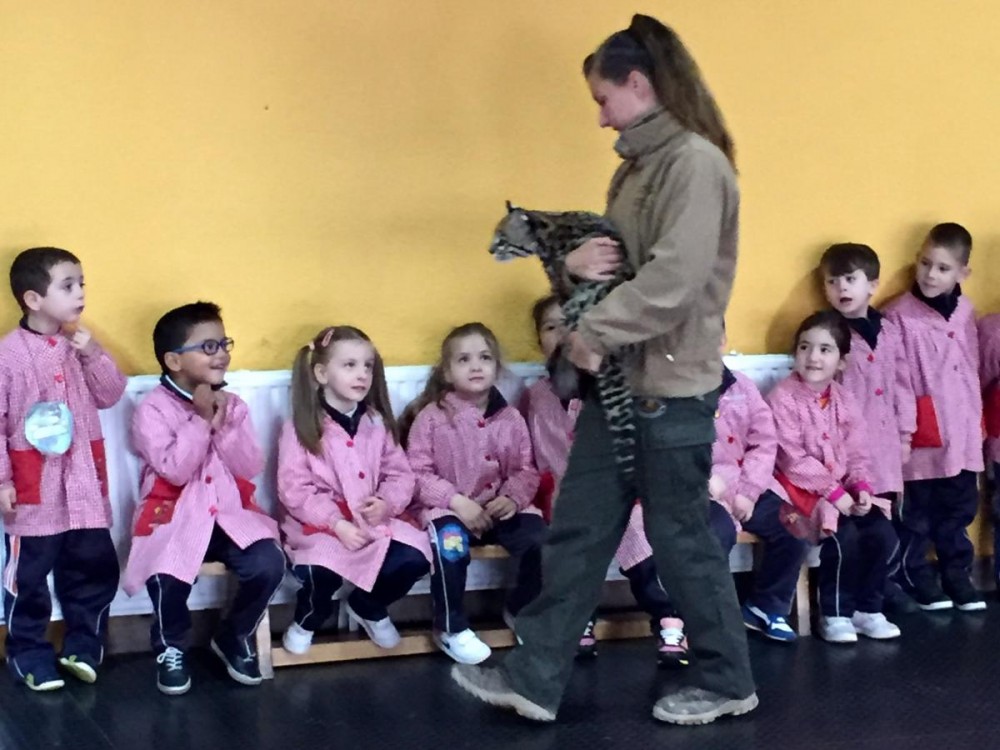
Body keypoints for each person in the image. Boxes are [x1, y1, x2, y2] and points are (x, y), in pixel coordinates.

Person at [450, 14, 757, 725]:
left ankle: (727, 680)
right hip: (620, 388)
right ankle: (534, 677)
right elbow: (617, 262)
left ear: (638, 83)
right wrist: (571, 262)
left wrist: (591, 334)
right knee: (578, 533)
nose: (599, 117)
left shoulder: (695, 164)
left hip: (671, 392)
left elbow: (675, 280)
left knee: (683, 546)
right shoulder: (638, 169)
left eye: (602, 98)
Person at [122, 302, 285, 695]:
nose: (222, 354)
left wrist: (224, 424)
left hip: (228, 515)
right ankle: (171, 647)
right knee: (165, 569)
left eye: (224, 344)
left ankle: (234, 634)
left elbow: (249, 465)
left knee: (268, 561)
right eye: (209, 347)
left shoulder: (234, 405)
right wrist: (199, 419)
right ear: (174, 360)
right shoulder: (152, 409)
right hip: (174, 516)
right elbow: (175, 470)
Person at [521, 295, 687, 666]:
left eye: (571, 324)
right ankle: (578, 618)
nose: (562, 334)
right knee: (572, 536)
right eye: (551, 327)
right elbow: (526, 457)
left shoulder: (612, 388)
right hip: (556, 495)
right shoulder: (535, 397)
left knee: (633, 526)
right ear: (538, 339)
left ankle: (668, 616)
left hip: (613, 490)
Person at [1, 247, 126, 691]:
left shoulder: (80, 347)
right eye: (68, 286)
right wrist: (3, 480)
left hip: (85, 488)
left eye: (82, 284)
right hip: (34, 492)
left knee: (93, 570)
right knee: (29, 579)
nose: (80, 293)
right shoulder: (8, 356)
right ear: (34, 299)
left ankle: (84, 647)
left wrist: (93, 354)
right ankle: (27, 653)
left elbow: (110, 394)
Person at [277, 326, 430, 655]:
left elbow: (400, 474)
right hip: (321, 525)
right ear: (321, 373)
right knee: (320, 569)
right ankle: (309, 618)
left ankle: (368, 605)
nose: (362, 374)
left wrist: (386, 503)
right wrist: (336, 523)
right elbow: (294, 489)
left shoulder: (376, 423)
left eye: (367, 366)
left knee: (415, 556)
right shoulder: (300, 428)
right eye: (349, 365)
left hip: (373, 520)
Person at [403, 322, 543, 665]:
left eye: (485, 357)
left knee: (541, 540)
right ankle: (450, 626)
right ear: (447, 372)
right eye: (464, 360)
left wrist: (512, 498)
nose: (476, 366)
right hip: (449, 509)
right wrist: (456, 501)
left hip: (498, 509)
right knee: (449, 545)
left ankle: (522, 608)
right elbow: (416, 473)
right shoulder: (431, 418)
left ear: (497, 366)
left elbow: (526, 470)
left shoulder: (511, 418)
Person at [768, 312, 900, 643]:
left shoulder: (845, 399)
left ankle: (868, 609)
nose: (813, 356)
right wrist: (835, 493)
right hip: (798, 492)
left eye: (825, 349)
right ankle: (836, 613)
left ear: (841, 361)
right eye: (805, 347)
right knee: (843, 536)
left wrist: (861, 488)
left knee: (882, 532)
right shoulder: (782, 397)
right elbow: (792, 460)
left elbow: (857, 453)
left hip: (841, 491)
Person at [884, 223, 985, 611]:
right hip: (922, 439)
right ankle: (915, 576)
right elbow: (896, 381)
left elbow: (972, 367)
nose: (930, 274)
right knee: (917, 514)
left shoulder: (965, 311)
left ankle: (956, 574)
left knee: (957, 510)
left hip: (962, 434)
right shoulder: (897, 316)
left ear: (962, 273)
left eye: (943, 268)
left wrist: (975, 423)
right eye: (925, 263)